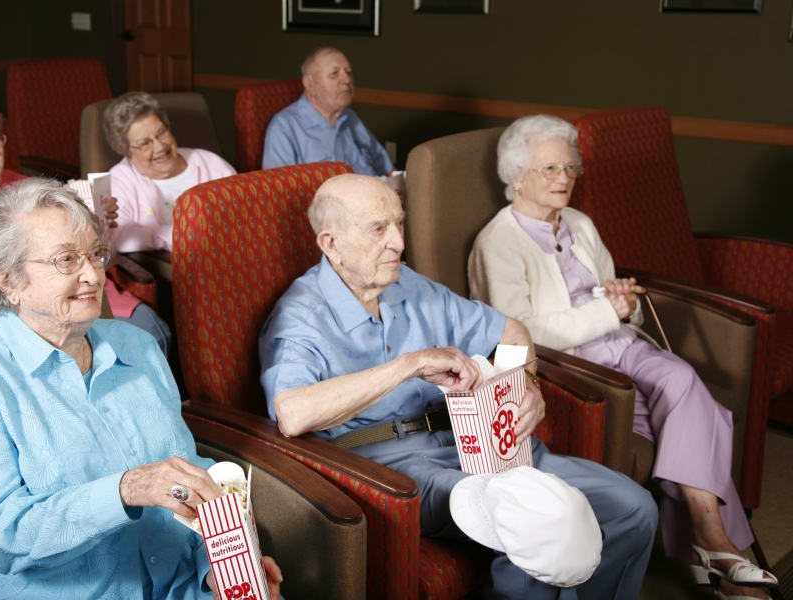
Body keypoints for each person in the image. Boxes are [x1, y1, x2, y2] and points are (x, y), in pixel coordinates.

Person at [259, 173, 658, 599]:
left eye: (399, 223)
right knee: (536, 528)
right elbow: (293, 413)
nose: (398, 242)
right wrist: (409, 364)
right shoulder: (301, 316)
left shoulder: (408, 284)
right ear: (330, 243)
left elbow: (511, 331)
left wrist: (524, 383)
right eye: (378, 229)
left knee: (634, 509)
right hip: (385, 465)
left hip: (474, 438)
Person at [468, 114, 777, 600]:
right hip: (575, 365)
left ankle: (709, 541)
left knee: (679, 377)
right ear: (514, 176)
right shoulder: (497, 244)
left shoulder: (580, 224)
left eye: (570, 168)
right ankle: (715, 545)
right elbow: (517, 331)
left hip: (622, 346)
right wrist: (604, 310)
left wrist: (624, 305)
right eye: (549, 168)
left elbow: (614, 303)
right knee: (701, 416)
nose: (563, 178)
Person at [0, 179, 282, 600]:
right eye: (66, 260)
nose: (92, 275)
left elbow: (189, 470)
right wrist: (125, 490)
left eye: (95, 254)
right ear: (8, 280)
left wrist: (222, 569)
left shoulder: (137, 345)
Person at [0, 92, 171, 354]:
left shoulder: (30, 186)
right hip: (13, 318)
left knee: (152, 335)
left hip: (82, 292)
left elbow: (88, 251)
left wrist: (99, 222)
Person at [103, 91, 236, 253]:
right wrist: (176, 236)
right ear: (125, 150)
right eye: (145, 143)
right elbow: (119, 237)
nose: (160, 147)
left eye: (162, 133)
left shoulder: (211, 164)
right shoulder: (119, 180)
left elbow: (243, 215)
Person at [261, 47, 394, 176]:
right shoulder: (284, 127)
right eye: (334, 73)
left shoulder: (349, 116)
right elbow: (280, 193)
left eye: (348, 72)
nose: (347, 79)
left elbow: (385, 165)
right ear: (309, 83)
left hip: (376, 191)